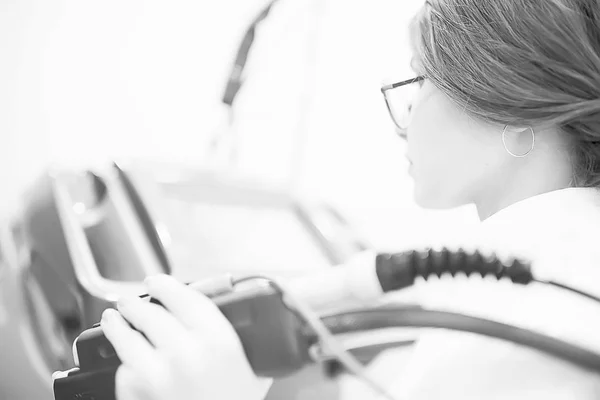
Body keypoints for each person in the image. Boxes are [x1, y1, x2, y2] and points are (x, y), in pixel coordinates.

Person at [101, 0, 600, 398]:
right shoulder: (560, 265)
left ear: (513, 109)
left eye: (419, 80)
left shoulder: (524, 316)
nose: (402, 122)